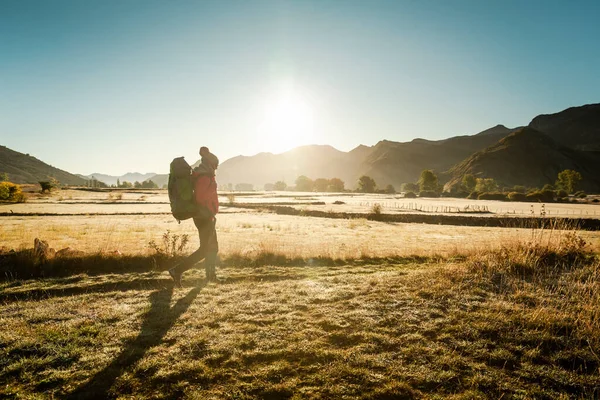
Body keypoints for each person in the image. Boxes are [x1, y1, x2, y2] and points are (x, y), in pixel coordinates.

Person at [169, 146, 220, 286]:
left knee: (213, 248)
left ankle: (211, 277)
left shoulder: (203, 174)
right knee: (205, 249)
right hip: (204, 216)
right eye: (215, 166)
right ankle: (177, 270)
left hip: (205, 215)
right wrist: (210, 208)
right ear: (210, 164)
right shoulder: (204, 177)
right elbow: (201, 197)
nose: (216, 168)